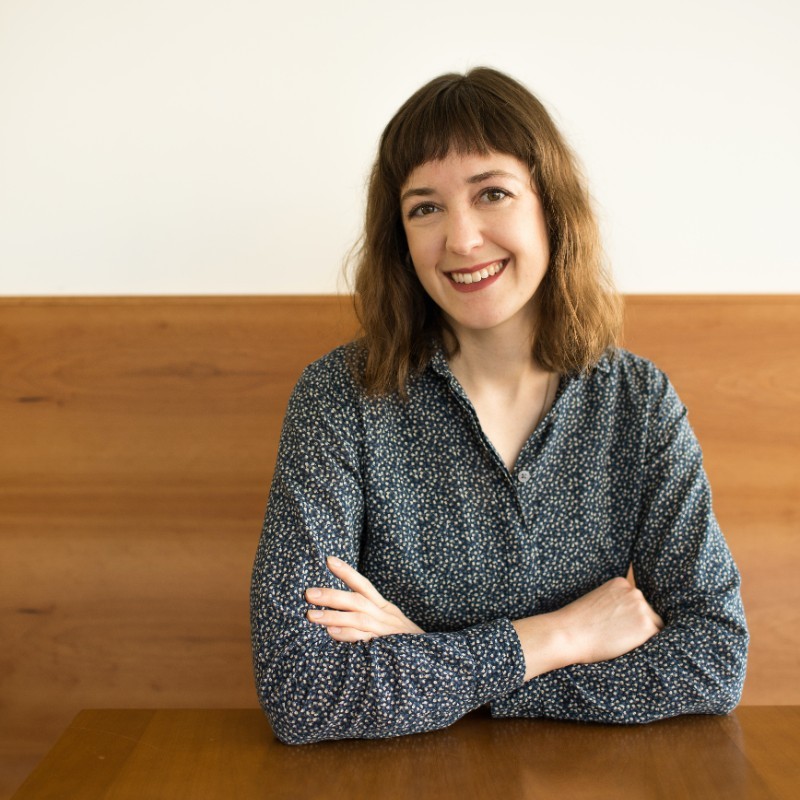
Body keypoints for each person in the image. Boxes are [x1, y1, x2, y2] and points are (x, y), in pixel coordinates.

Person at [250, 67, 748, 745]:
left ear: (551, 207)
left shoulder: (637, 402)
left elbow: (713, 658)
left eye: (492, 193)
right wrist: (560, 637)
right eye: (425, 208)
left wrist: (431, 659)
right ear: (401, 238)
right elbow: (301, 690)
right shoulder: (340, 397)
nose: (461, 239)